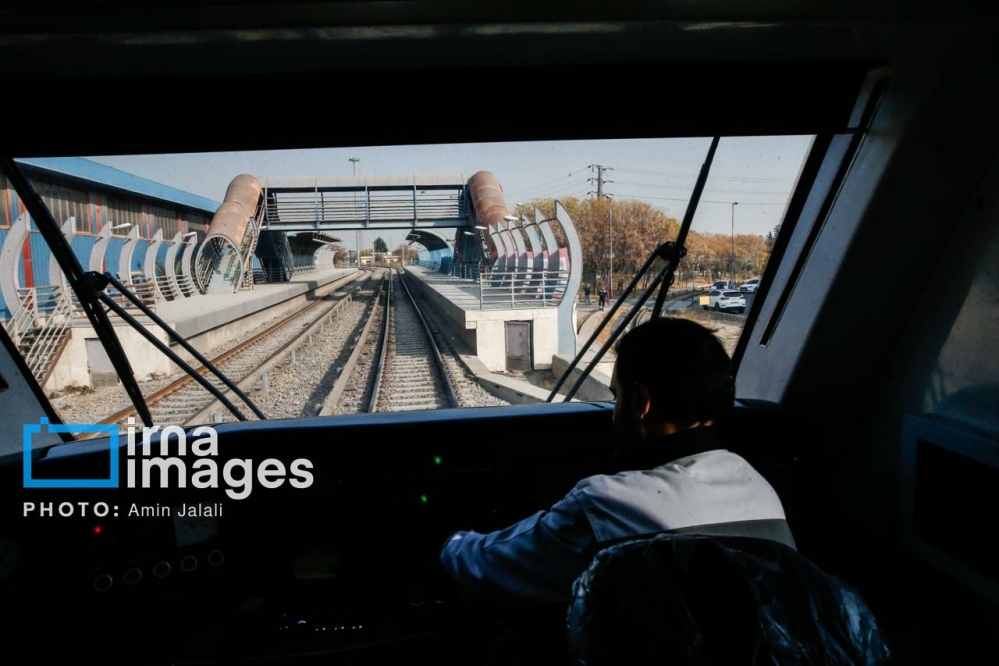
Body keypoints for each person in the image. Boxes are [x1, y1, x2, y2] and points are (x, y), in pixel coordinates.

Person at [439, 317, 790, 604]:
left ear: (640, 402)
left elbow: (486, 565)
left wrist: (449, 540)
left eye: (616, 396)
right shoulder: (765, 494)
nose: (613, 412)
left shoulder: (606, 506)